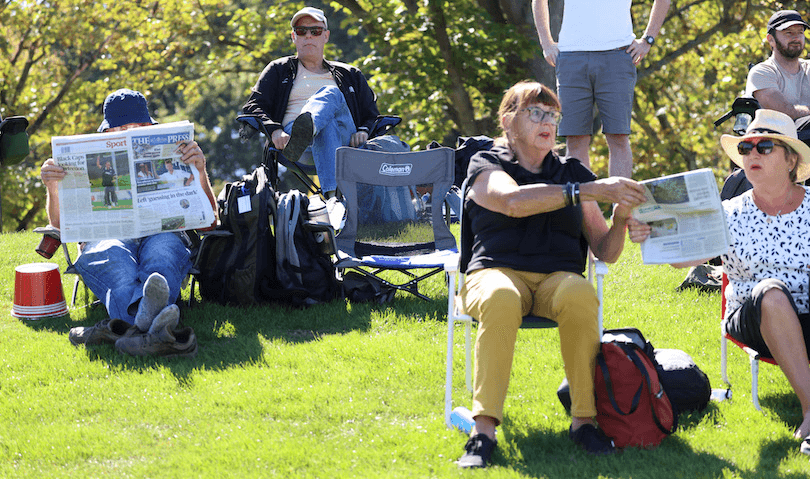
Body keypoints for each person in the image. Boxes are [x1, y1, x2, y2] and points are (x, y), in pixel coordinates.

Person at [456, 80, 648, 468]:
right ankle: (483, 430)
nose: (548, 122)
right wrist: (587, 190)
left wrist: (621, 216)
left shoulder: (572, 171)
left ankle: (584, 421)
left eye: (553, 115)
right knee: (501, 297)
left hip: (556, 280)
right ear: (508, 121)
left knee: (581, 293)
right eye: (536, 113)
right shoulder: (486, 164)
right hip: (493, 273)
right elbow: (511, 202)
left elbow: (604, 252)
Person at [628, 109, 810, 456]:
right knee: (771, 292)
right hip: (755, 317)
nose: (752, 153)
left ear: (791, 160)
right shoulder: (728, 213)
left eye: (764, 146)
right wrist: (649, 231)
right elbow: (681, 259)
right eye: (746, 148)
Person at [40, 88, 217, 358]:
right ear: (107, 133)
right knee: (115, 265)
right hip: (106, 235)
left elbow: (210, 221)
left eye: (138, 126)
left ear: (150, 126)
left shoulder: (181, 153)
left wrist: (200, 170)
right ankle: (154, 324)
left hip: (163, 232)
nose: (131, 131)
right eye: (122, 128)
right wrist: (52, 187)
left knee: (161, 261)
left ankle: (127, 325)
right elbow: (60, 224)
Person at [241, 6, 380, 197]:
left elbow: (372, 114)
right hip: (294, 146)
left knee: (331, 94)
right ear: (293, 36)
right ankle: (334, 199)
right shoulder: (278, 70)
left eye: (315, 31)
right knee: (326, 125)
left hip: (346, 142)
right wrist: (275, 130)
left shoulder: (349, 74)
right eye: (301, 31)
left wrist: (364, 131)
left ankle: (309, 128)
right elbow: (253, 106)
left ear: (326, 36)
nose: (308, 36)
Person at [532, 0, 670, 178]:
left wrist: (647, 39)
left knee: (618, 137)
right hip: (571, 57)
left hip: (618, 55)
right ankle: (585, 205)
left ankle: (621, 204)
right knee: (575, 140)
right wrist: (546, 43)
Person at [745, 10, 810, 142]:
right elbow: (785, 112)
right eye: (788, 33)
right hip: (775, 147)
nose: (796, 38)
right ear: (771, 40)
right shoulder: (762, 72)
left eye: (800, 32)